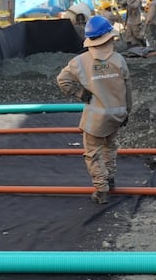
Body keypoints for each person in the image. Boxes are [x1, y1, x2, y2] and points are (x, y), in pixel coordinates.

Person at [56, 15, 132, 204]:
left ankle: (101, 189)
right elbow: (128, 90)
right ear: (109, 37)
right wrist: (127, 112)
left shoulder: (80, 61)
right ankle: (110, 178)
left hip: (96, 119)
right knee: (110, 148)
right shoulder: (119, 60)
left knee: (93, 153)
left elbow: (62, 80)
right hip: (116, 114)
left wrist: (81, 93)